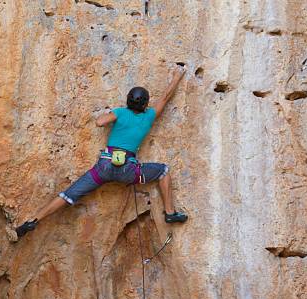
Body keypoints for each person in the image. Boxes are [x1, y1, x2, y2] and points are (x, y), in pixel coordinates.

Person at [16, 66, 188, 239]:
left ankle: (33, 220)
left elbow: (100, 122)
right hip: (128, 172)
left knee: (68, 194)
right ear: (145, 104)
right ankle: (170, 212)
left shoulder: (120, 113)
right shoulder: (148, 116)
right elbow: (165, 98)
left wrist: (110, 113)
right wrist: (177, 75)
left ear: (128, 100)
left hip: (104, 167)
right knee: (163, 170)